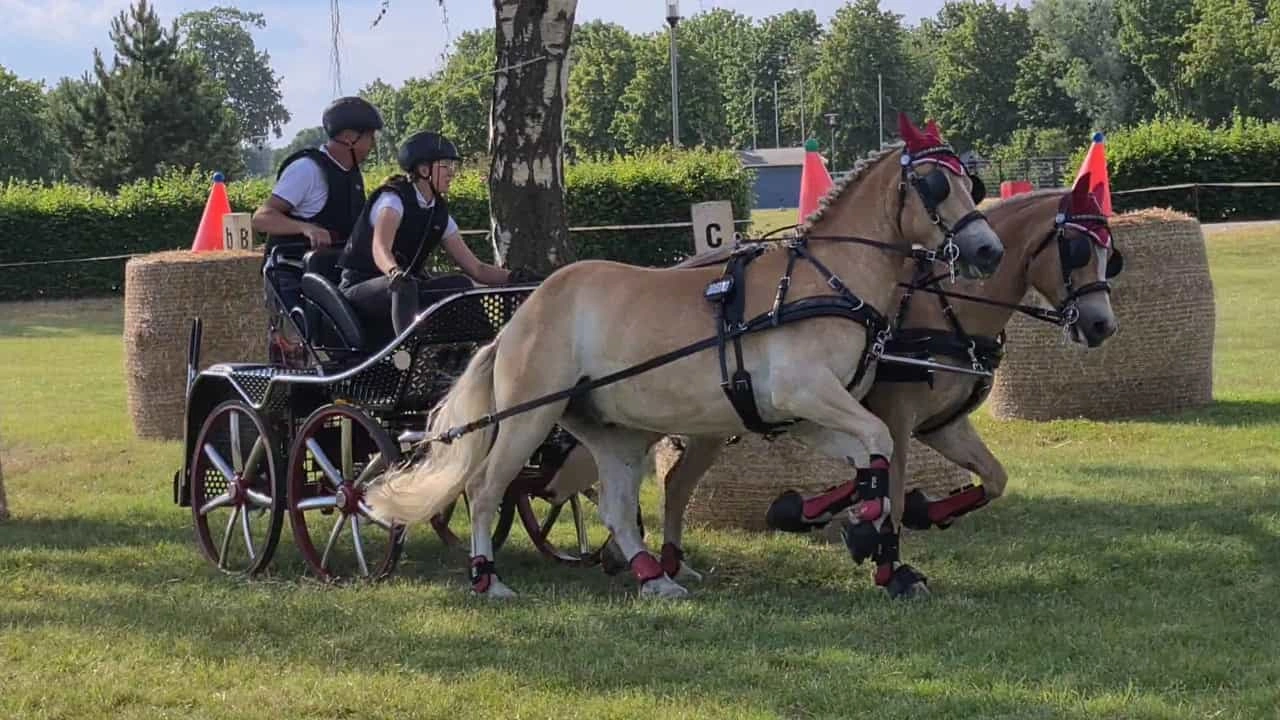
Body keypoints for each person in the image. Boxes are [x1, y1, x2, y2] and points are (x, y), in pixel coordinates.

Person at [337, 130, 542, 344]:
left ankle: (480, 352)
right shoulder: (393, 200)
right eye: (445, 166)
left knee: (459, 283)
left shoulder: (438, 213)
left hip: (407, 288)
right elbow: (380, 248)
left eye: (452, 166)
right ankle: (410, 354)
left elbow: (477, 269)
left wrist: (517, 278)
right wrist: (395, 272)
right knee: (405, 286)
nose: (452, 173)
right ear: (424, 170)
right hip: (360, 288)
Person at [251, 96, 384, 271]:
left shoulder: (351, 173)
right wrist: (305, 228)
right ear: (349, 137)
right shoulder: (307, 169)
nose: (372, 145)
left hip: (331, 271)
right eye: (369, 137)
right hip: (293, 275)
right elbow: (261, 218)